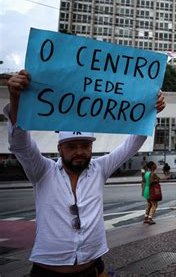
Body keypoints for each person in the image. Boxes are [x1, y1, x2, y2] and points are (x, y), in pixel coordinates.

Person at [5, 69, 166, 275]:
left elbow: (132, 144)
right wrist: (16, 99)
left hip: (92, 269)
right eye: (72, 146)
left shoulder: (99, 169)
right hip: (47, 271)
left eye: (85, 145)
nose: (79, 152)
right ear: (59, 149)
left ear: (92, 147)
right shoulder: (42, 171)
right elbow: (20, 142)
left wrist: (151, 110)